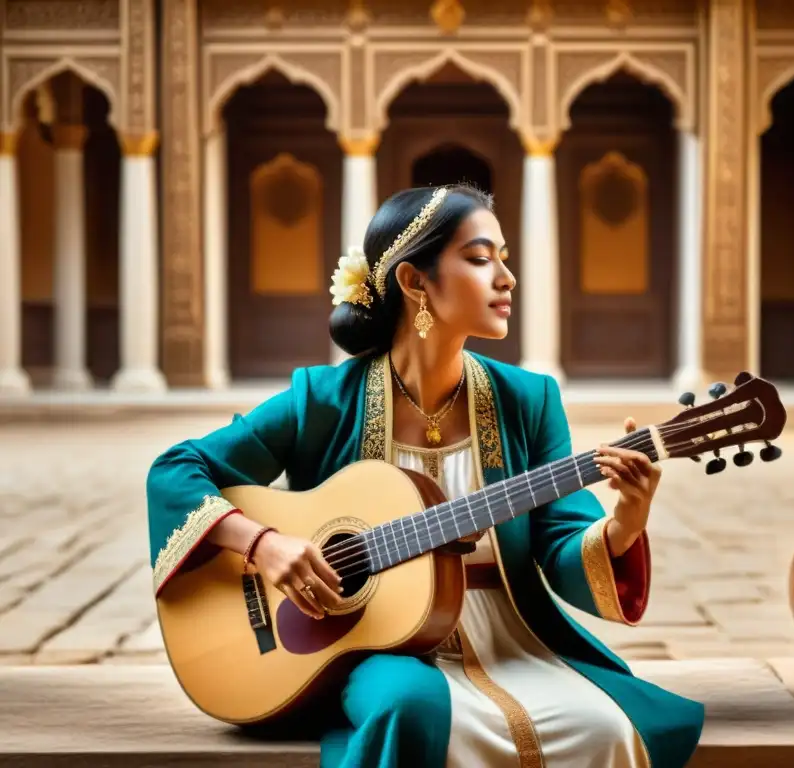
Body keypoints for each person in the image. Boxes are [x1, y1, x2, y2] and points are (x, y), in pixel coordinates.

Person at [146, 184, 704, 768]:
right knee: (411, 709)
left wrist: (624, 522)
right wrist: (262, 543)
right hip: (375, 646)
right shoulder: (323, 399)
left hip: (508, 638)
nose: (507, 278)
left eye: (505, 259)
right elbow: (176, 470)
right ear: (414, 282)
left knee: (602, 726)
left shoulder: (529, 400)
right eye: (482, 258)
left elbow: (561, 542)